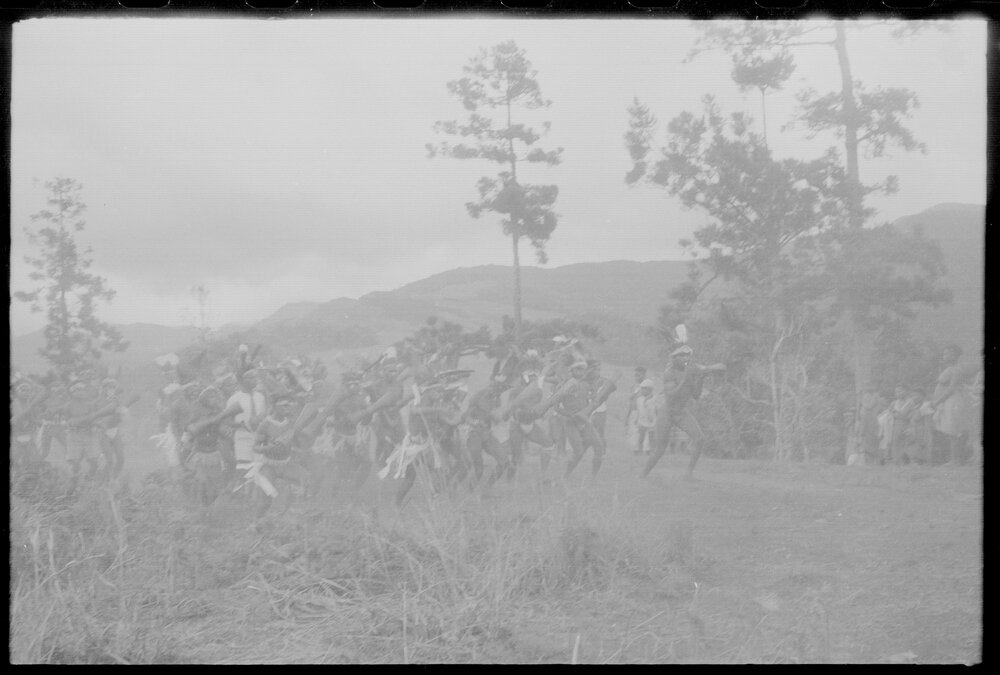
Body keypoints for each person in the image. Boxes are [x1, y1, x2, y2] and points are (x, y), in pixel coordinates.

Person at [642, 345, 725, 480]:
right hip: (667, 412)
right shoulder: (669, 373)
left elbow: (696, 395)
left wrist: (701, 378)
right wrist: (685, 380)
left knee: (699, 438)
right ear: (674, 358)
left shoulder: (690, 371)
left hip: (681, 412)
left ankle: (688, 473)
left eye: (687, 355)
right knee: (660, 448)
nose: (686, 358)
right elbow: (671, 396)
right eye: (682, 355)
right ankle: (643, 474)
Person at [533, 360, 606, 479]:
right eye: (577, 369)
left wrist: (592, 401)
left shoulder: (586, 384)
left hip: (584, 421)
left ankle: (593, 479)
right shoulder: (566, 385)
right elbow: (556, 406)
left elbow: (591, 401)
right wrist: (570, 415)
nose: (580, 372)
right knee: (578, 452)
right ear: (571, 371)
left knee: (599, 447)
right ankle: (565, 476)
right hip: (571, 422)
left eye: (582, 369)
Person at [930, 344, 973, 465]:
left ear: (955, 355)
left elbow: (951, 389)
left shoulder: (957, 369)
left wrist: (938, 401)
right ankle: (954, 459)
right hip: (946, 402)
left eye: (948, 353)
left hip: (953, 401)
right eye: (944, 353)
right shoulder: (947, 369)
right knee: (949, 431)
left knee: (953, 431)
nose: (945, 355)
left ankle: (956, 460)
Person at [633, 379, 657, 456]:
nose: (642, 391)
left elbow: (656, 410)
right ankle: (638, 450)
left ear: (650, 389)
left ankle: (651, 451)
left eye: (644, 389)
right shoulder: (639, 399)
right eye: (642, 389)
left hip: (651, 421)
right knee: (641, 436)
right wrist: (636, 419)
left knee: (651, 437)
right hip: (642, 420)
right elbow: (639, 410)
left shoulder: (654, 399)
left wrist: (654, 417)